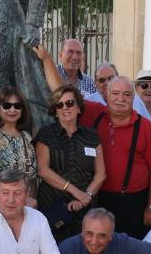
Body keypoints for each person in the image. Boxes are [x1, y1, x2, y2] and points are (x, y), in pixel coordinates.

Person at [94, 76, 151, 238]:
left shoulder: (147, 128)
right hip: (99, 201)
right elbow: (63, 95)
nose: (120, 99)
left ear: (133, 98)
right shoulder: (95, 117)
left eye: (126, 94)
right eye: (115, 93)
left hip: (134, 204)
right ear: (107, 94)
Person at [34, 85, 105, 241]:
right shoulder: (46, 134)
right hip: (54, 208)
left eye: (70, 103)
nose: (65, 108)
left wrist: (87, 196)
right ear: (55, 111)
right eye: (60, 105)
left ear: (79, 107)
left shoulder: (92, 136)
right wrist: (76, 192)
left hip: (86, 210)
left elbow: (101, 174)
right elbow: (43, 170)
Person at [0, 86, 38, 191]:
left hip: (25, 200)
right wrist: (11, 195)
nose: (12, 109)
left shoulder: (27, 137)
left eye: (17, 106)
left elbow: (32, 177)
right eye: (6, 106)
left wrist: (27, 198)